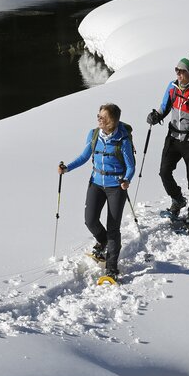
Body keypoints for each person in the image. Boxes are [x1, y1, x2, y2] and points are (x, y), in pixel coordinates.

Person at [58, 103, 135, 281]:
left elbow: (131, 166)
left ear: (111, 121)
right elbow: (85, 156)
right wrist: (67, 168)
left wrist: (126, 180)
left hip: (116, 186)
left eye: (103, 117)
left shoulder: (123, 140)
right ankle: (102, 241)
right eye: (98, 116)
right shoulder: (94, 135)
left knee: (113, 227)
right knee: (90, 220)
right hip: (96, 183)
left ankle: (111, 268)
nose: (98, 119)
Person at [146, 53, 189, 233]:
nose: (178, 73)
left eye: (182, 71)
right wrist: (156, 116)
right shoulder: (172, 87)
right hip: (173, 138)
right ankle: (177, 199)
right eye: (177, 70)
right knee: (164, 172)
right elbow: (164, 107)